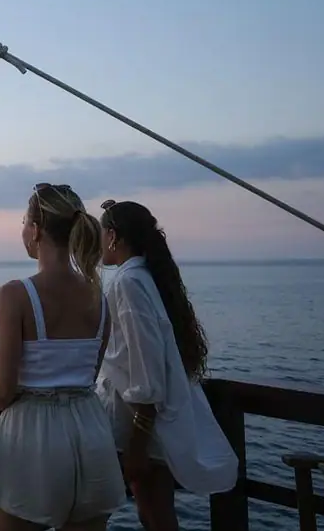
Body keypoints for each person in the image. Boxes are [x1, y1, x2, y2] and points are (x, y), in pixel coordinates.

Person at [0, 183, 125, 531]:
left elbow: (4, 391)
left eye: (25, 222)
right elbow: (89, 376)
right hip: (91, 429)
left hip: (34, 436)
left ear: (37, 230)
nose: (23, 230)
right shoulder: (97, 297)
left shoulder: (16, 294)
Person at [96, 200, 238, 531]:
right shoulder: (145, 276)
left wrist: (137, 442)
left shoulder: (128, 282)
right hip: (149, 422)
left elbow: (146, 362)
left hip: (139, 424)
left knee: (143, 514)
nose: (99, 242)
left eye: (101, 233)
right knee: (156, 513)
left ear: (113, 236)